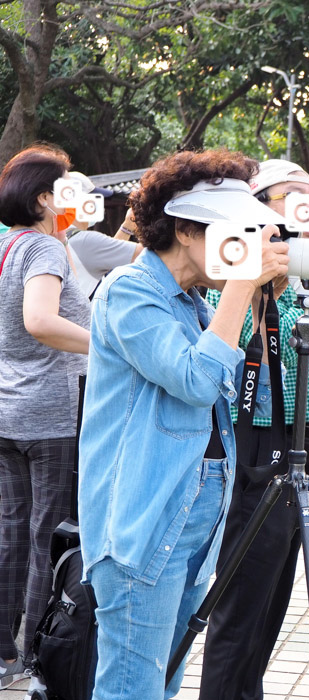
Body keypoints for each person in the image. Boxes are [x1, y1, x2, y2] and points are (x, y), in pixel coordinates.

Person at [78, 149, 290, 700]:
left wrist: (260, 307)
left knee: (164, 682)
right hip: (143, 523)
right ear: (188, 230)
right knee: (132, 689)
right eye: (237, 233)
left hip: (197, 516)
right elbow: (195, 380)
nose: (249, 246)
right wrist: (243, 286)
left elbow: (254, 395)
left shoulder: (197, 302)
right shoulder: (130, 291)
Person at [198, 159, 309, 700]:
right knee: (240, 597)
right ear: (260, 203)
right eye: (297, 195)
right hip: (249, 438)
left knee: (271, 594)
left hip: (294, 441)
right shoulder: (232, 255)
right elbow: (246, 334)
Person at [0, 144, 91, 688]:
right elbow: (40, 320)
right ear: (42, 197)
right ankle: (38, 653)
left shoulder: (11, 245)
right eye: (64, 191)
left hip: (7, 407)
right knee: (44, 537)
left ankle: (3, 654)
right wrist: (107, 343)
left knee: (12, 533)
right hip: (50, 412)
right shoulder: (44, 252)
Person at [61, 172, 142, 298]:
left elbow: (108, 255)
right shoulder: (84, 241)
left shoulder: (62, 238)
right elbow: (148, 256)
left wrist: (127, 227)